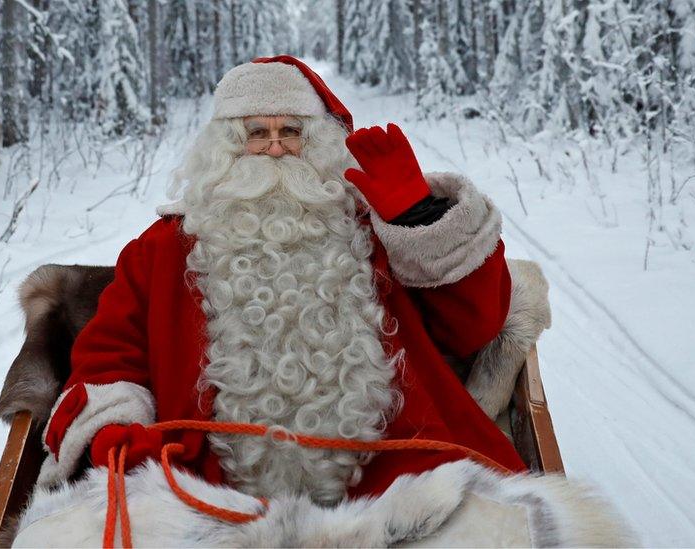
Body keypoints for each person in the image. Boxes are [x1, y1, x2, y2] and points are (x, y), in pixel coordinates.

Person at [38, 56, 528, 505]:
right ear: (225, 148)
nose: (274, 148)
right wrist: (116, 427)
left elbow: (473, 327)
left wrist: (419, 220)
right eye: (256, 133)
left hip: (396, 478)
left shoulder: (370, 230)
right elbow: (111, 354)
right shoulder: (164, 248)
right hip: (207, 488)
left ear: (315, 142)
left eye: (290, 131)